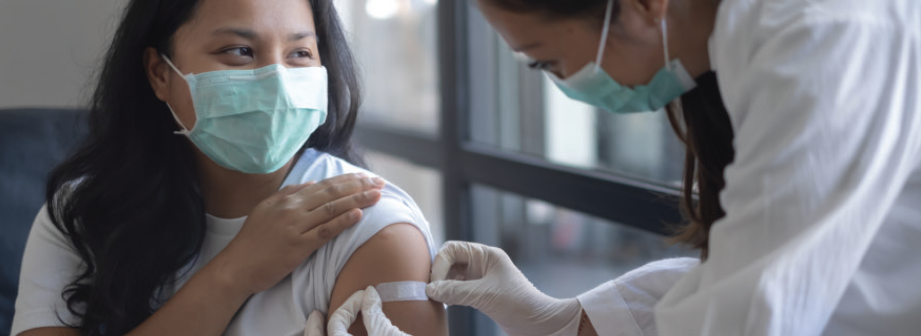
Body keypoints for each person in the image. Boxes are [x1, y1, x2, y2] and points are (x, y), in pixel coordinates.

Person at [339, 0, 921, 335]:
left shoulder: (823, 35)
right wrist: (560, 321)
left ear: (643, 6)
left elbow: (754, 309)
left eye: (549, 62)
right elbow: (749, 268)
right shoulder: (738, 44)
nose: (566, 83)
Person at [10, 0, 447, 335]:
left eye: (299, 53)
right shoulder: (82, 212)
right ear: (160, 73)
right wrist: (232, 274)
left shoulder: (372, 230)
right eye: (239, 51)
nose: (277, 81)